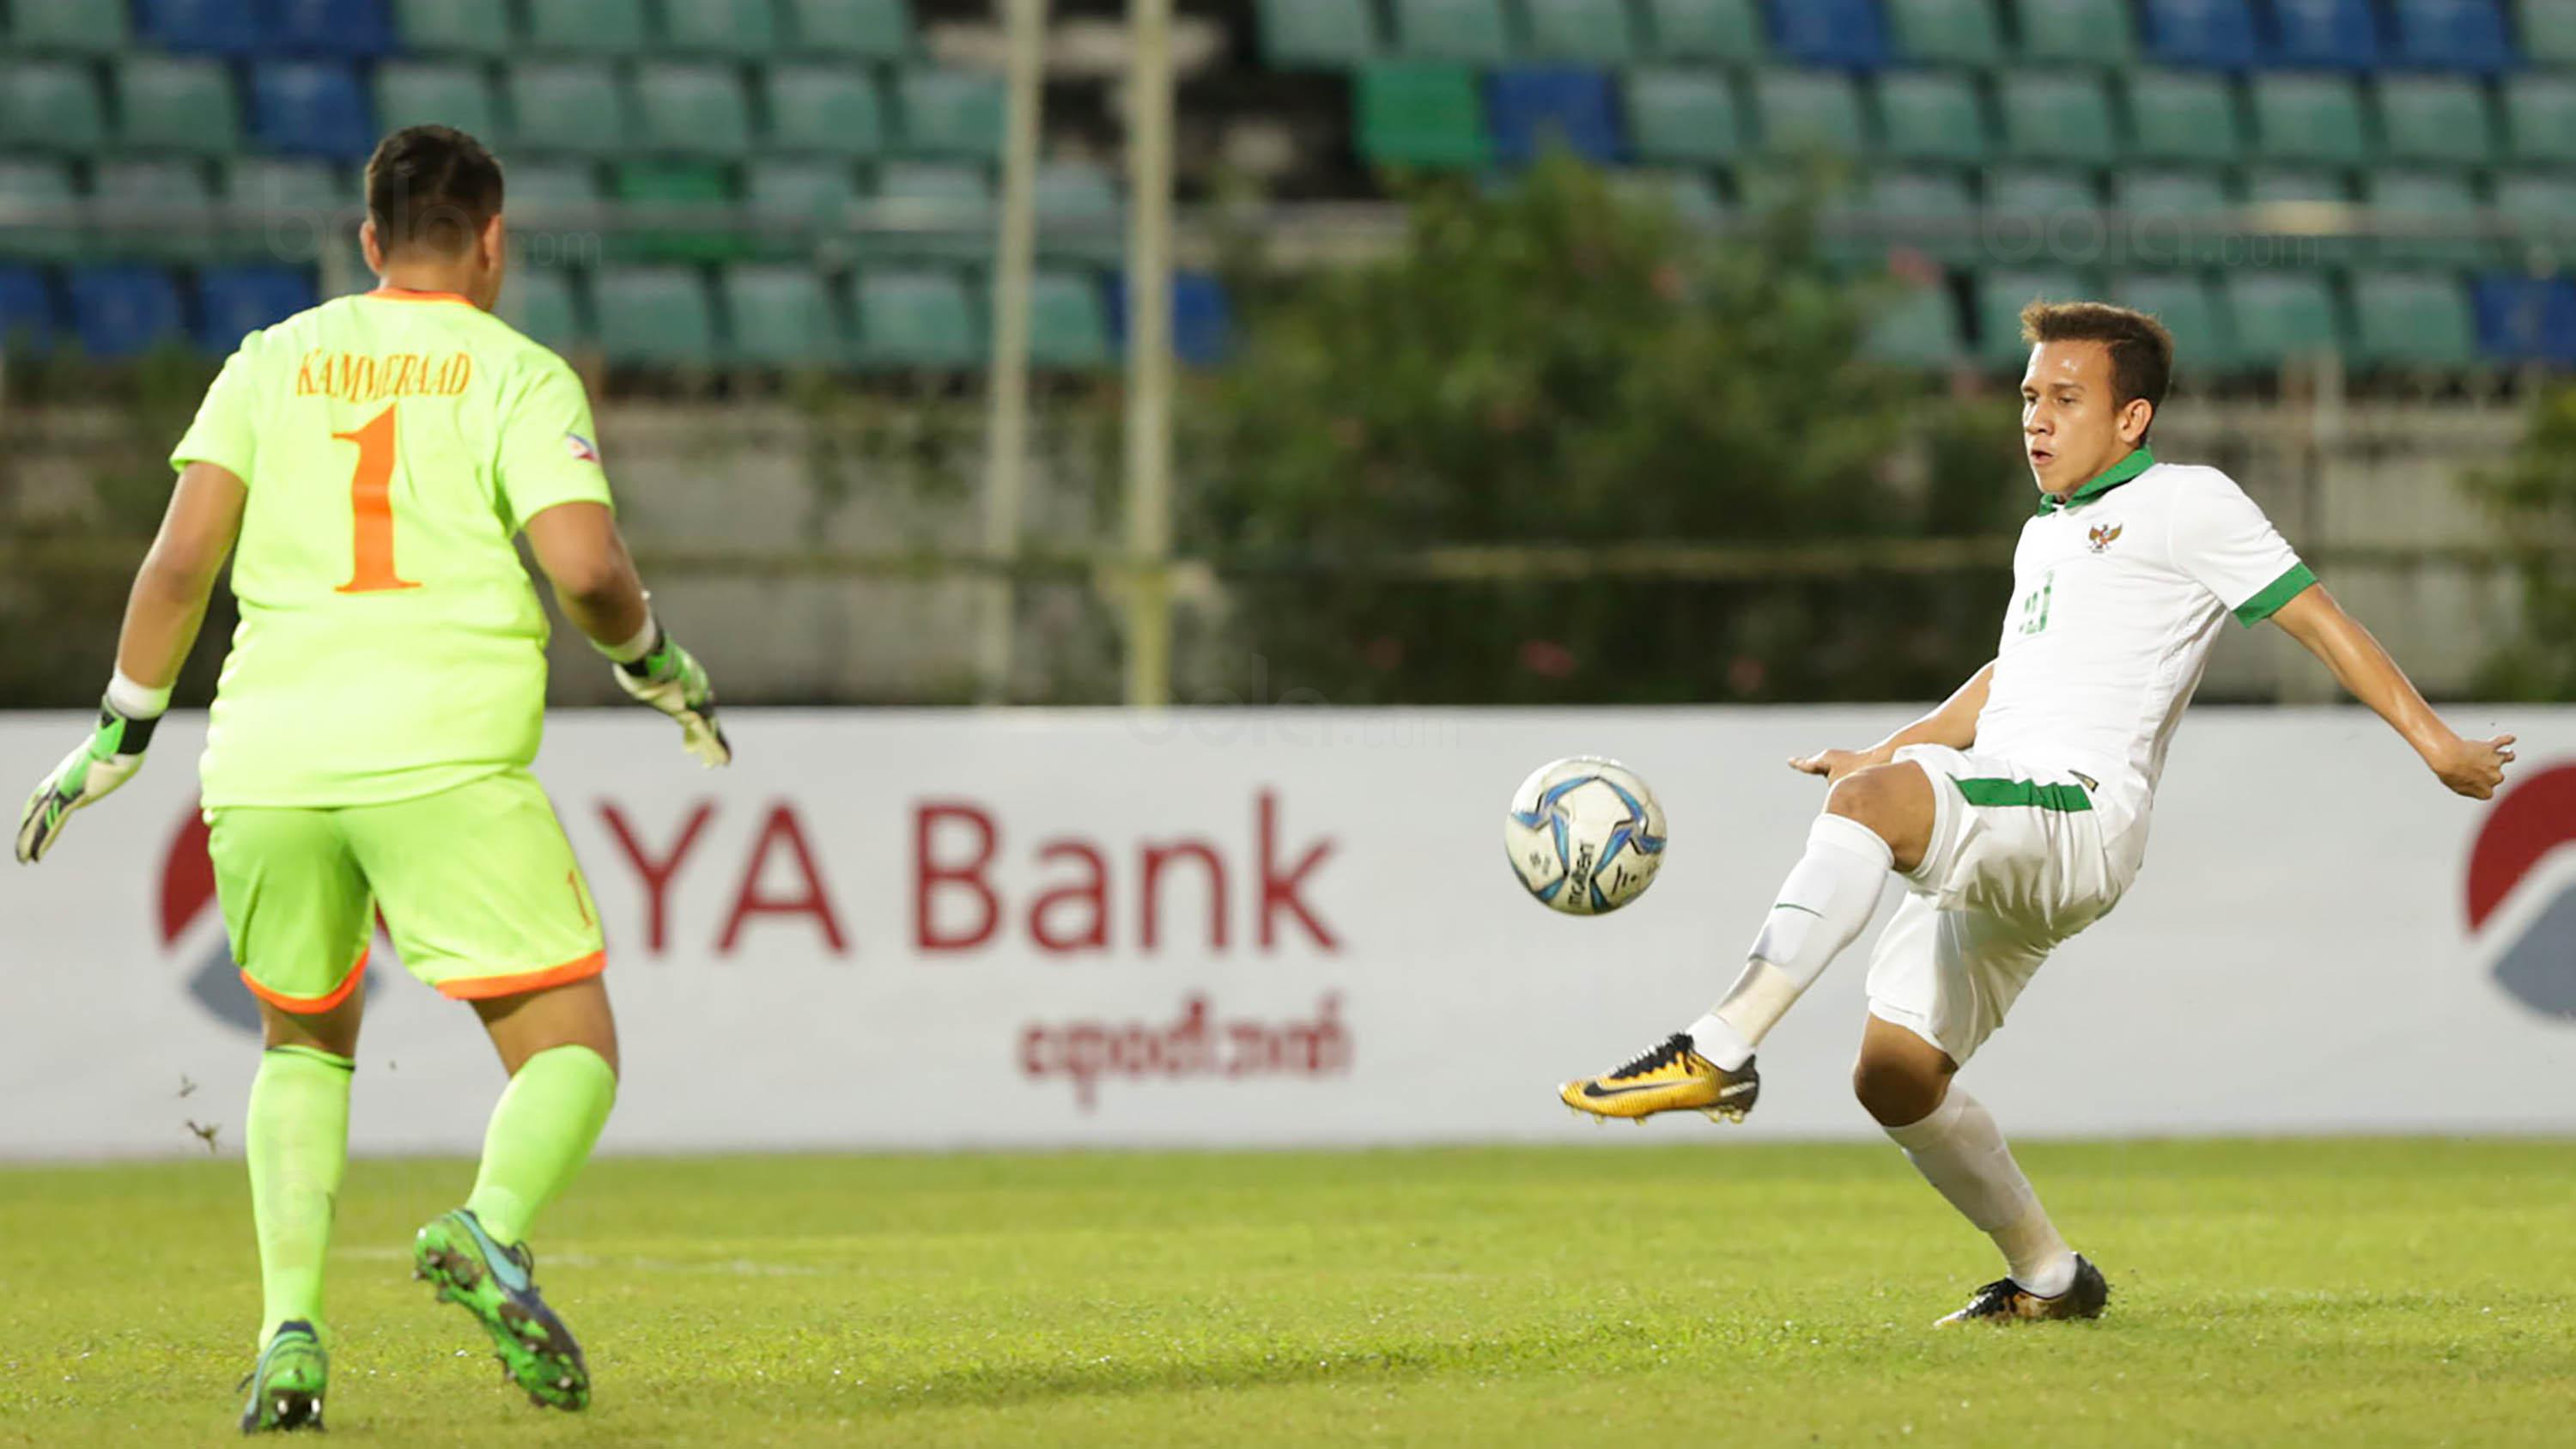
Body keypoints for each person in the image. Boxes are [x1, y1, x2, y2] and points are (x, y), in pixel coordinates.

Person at [1558, 301, 2516, 1325]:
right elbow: (2011, 676)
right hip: (2015, 815)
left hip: (2076, 812)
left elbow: (2320, 619)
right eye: (2028, 397)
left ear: (2133, 418)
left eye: (2066, 398)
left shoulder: (2190, 503)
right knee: (1894, 1075)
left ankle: (1717, 1050)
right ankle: (2051, 1279)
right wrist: (1887, 754)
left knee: (1870, 812)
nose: (2037, 420)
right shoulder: (2047, 536)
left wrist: (2437, 744)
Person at [12, 125, 731, 1431]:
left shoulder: (268, 360)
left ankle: (291, 1334)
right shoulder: (519, 372)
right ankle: (491, 1229)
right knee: (572, 1039)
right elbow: (587, 568)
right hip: (441, 753)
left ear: (368, 240)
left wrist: (122, 727)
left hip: (267, 759)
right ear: (495, 242)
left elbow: (178, 566)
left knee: (303, 1040)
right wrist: (652, 660)